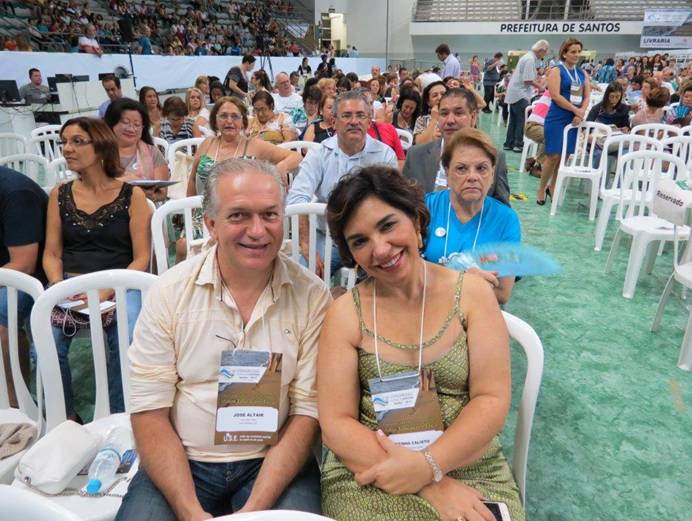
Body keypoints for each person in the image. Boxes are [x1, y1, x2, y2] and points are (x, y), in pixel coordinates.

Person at [115, 159, 331, 520]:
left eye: (270, 215)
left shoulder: (311, 296)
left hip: (271, 459)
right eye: (239, 216)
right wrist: (188, 510)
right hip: (183, 459)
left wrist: (253, 511)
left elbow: (307, 412)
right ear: (211, 224)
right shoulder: (170, 293)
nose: (258, 231)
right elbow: (150, 410)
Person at [319, 165, 524, 521]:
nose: (380, 249)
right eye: (360, 241)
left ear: (416, 220)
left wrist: (429, 465)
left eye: (388, 226)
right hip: (370, 468)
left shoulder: (472, 295)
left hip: (468, 463)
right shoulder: (345, 314)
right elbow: (336, 422)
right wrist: (428, 482)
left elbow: (491, 399)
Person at [43, 117, 151, 421]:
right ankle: (65, 420)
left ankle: (120, 418)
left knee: (128, 337)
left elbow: (141, 258)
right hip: (70, 284)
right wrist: (58, 287)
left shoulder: (132, 196)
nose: (67, 149)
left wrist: (105, 293)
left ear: (101, 146)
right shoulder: (59, 195)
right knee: (45, 342)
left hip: (120, 284)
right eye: (64, 142)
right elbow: (52, 253)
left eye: (77, 141)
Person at [287, 90, 398, 276]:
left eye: (360, 115)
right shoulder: (320, 154)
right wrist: (306, 245)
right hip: (326, 236)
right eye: (346, 115)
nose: (354, 121)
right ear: (334, 122)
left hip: (369, 238)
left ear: (369, 121)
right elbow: (297, 198)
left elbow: (390, 204)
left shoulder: (385, 155)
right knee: (301, 277)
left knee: (380, 281)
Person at [423, 128, 520, 304]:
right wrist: (462, 278)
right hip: (428, 304)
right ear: (447, 172)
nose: (473, 177)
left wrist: (438, 274)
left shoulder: (506, 220)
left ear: (492, 173)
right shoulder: (426, 207)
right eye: (461, 169)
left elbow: (502, 293)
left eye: (481, 168)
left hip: (478, 309)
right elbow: (409, 271)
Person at [403, 88, 510, 205]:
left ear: (473, 117)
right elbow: (402, 202)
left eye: (458, 113)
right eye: (444, 114)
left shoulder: (495, 158)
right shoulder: (415, 155)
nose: (450, 120)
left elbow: (502, 207)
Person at [187, 97, 301, 196]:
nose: (229, 121)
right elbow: (192, 180)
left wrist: (282, 166)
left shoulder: (254, 145)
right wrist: (189, 211)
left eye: (235, 116)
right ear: (215, 120)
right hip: (205, 212)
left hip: (241, 212)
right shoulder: (207, 144)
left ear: (243, 122)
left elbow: (296, 156)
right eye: (223, 116)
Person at [0, 166, 47, 407]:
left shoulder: (16, 193)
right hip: (6, 271)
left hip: (34, 277)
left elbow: (24, 264)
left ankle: (17, 403)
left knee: (1, 319)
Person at [537, 38, 590, 205]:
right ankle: (541, 188)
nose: (576, 55)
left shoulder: (582, 73)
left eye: (578, 51)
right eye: (573, 51)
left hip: (574, 119)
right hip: (557, 117)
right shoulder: (556, 71)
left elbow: (587, 96)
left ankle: (553, 186)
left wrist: (581, 113)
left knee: (565, 156)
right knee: (553, 155)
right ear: (564, 53)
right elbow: (555, 96)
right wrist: (576, 110)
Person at [104, 98, 169, 202]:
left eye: (137, 124)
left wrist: (149, 195)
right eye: (125, 122)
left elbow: (162, 193)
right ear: (111, 123)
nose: (131, 129)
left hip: (146, 207)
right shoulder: (98, 153)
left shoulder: (152, 152)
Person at [503, 40, 550, 152]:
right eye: (545, 52)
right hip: (521, 93)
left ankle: (509, 143)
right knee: (521, 120)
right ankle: (518, 144)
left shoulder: (527, 57)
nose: (545, 55)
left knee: (513, 120)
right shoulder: (530, 59)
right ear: (541, 50)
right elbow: (528, 80)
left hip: (515, 92)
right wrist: (540, 87)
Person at [523, 89, 551, 177]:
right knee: (551, 137)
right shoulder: (554, 92)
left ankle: (534, 160)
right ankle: (537, 165)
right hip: (533, 125)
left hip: (544, 126)